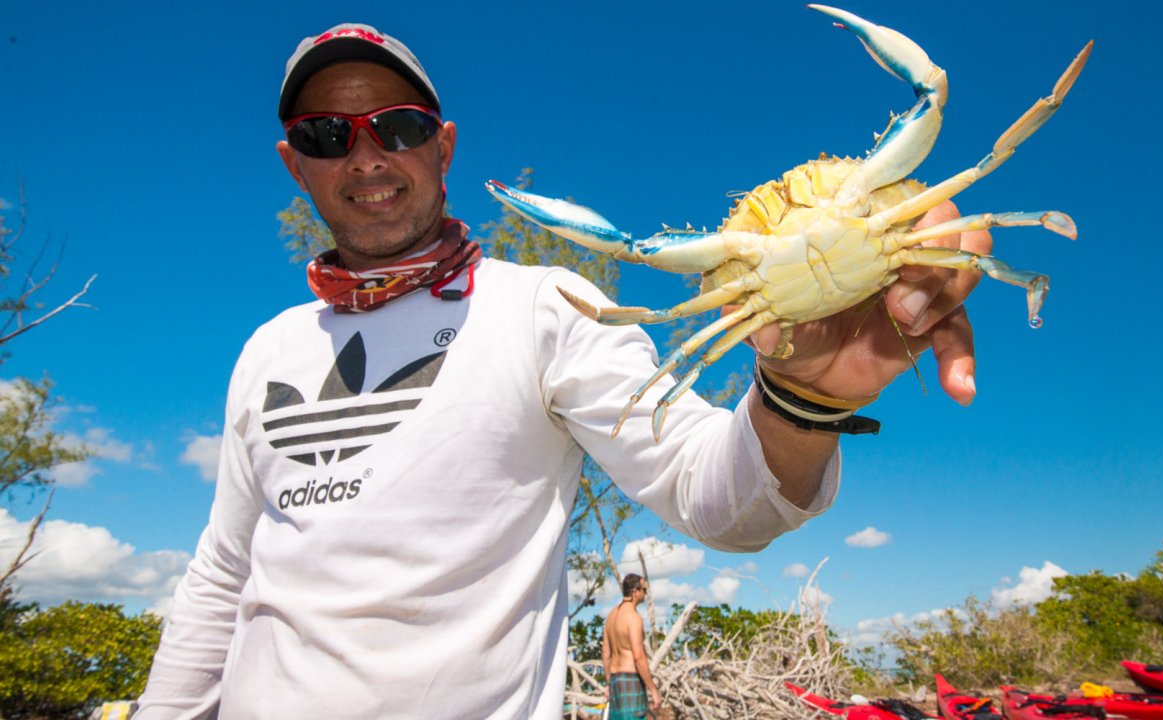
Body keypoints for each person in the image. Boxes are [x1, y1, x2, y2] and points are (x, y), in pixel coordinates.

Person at [136, 21, 987, 720]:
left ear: (443, 147)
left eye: (395, 127)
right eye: (326, 136)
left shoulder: (546, 308)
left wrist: (802, 398)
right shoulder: (267, 348)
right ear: (295, 164)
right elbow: (223, 572)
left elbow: (716, 496)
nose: (364, 157)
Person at [602, 575, 660, 719]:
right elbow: (638, 656)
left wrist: (609, 683)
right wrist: (653, 689)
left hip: (615, 681)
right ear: (635, 591)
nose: (645, 593)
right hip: (630, 680)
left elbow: (605, 652)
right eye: (644, 590)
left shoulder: (611, 615)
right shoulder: (633, 617)